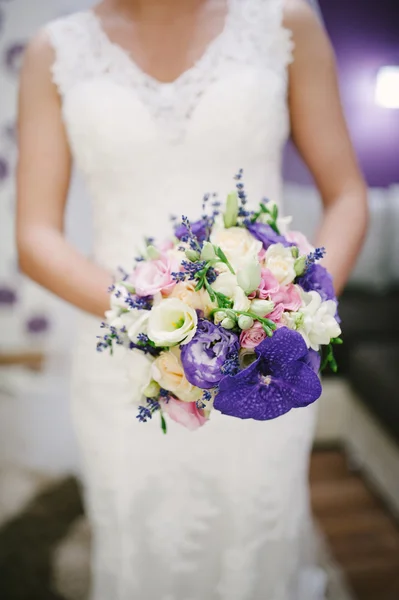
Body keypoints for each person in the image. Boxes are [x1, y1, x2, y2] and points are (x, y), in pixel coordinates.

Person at [16, 0, 368, 598]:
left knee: (255, 532)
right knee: (141, 541)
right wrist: (148, 318)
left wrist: (299, 308)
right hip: (123, 361)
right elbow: (34, 236)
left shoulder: (286, 23)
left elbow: (348, 196)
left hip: (263, 356)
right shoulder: (56, 49)